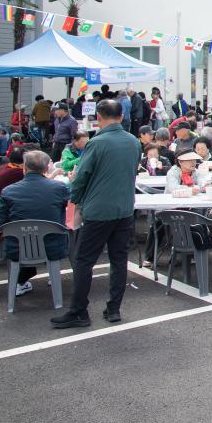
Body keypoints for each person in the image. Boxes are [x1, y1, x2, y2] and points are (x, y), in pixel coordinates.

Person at [51, 99, 140, 328]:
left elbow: (81, 178)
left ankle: (79, 310)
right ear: (121, 116)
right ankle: (113, 309)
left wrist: (76, 199)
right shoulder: (133, 141)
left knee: (84, 260)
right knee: (119, 260)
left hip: (99, 210)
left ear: (99, 117)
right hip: (125, 208)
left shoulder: (96, 143)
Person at [0, 150, 70, 298]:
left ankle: (19, 282)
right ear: (47, 168)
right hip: (52, 246)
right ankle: (51, 279)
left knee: (23, 236)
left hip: (18, 248)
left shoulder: (8, 191)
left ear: (24, 168)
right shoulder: (59, 188)